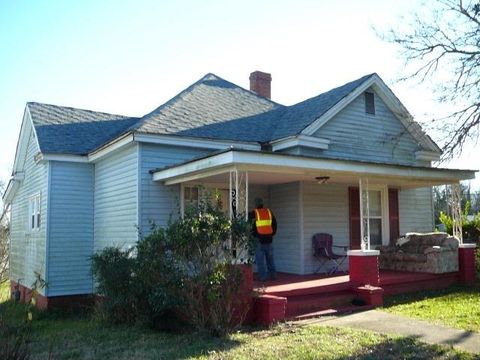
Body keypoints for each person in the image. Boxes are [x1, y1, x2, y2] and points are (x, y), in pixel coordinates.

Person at [249, 197, 277, 281]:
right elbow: (274, 225)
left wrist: (252, 234)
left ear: (256, 204)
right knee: (270, 260)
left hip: (259, 240)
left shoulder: (255, 213)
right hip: (269, 240)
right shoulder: (269, 212)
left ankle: (263, 277)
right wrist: (271, 234)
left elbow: (248, 220)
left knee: (260, 261)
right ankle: (273, 276)